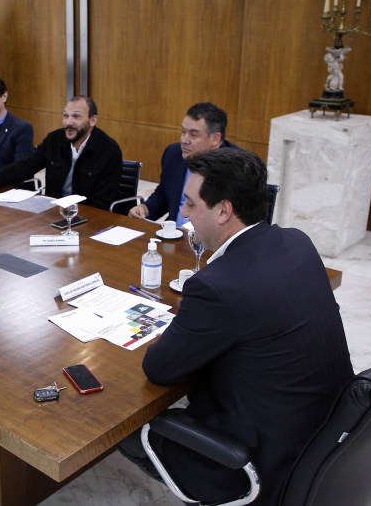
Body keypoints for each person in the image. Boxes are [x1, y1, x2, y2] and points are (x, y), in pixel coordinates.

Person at [117, 147, 352, 506]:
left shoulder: (218, 285)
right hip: (326, 439)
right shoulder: (297, 242)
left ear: (224, 210)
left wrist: (179, 328)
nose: (183, 213)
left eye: (191, 204)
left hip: (261, 465)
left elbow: (159, 367)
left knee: (122, 425)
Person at [0, 96, 122, 211]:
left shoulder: (109, 151)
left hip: (85, 219)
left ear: (93, 120)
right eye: (65, 116)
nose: (68, 122)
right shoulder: (55, 139)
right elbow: (24, 166)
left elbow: (102, 205)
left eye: (76, 117)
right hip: (52, 213)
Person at [128, 102, 237, 225]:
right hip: (175, 235)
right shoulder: (173, 154)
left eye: (193, 135)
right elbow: (164, 193)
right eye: (183, 132)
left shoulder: (238, 167)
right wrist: (145, 208)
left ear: (215, 139)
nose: (184, 140)